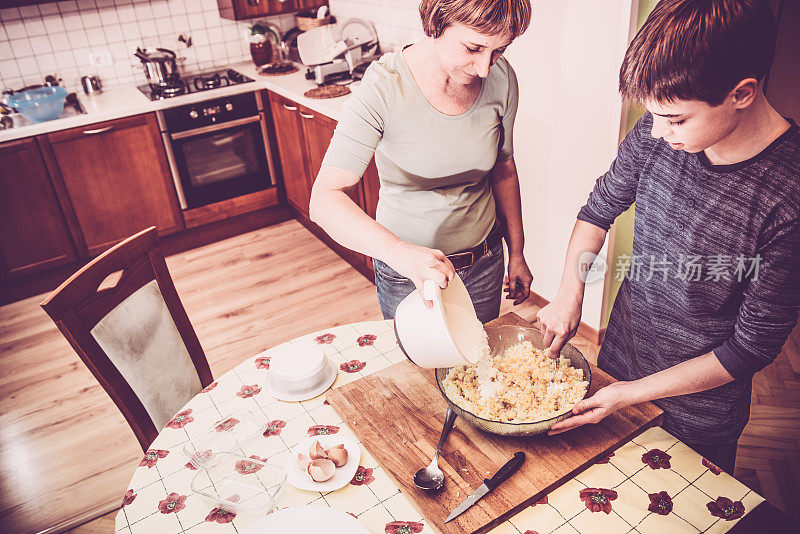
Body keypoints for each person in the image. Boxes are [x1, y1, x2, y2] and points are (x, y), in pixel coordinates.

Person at [538, 0, 799, 474]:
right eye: (652, 115)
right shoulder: (660, 129)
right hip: (618, 363)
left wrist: (631, 395)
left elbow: (749, 349)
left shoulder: (789, 198)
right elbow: (599, 210)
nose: (657, 133)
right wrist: (567, 293)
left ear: (742, 93)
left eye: (676, 120)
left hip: (699, 416)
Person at [309, 0, 534, 323]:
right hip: (408, 272)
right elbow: (324, 200)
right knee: (418, 372)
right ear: (438, 22)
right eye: (473, 48)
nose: (485, 68)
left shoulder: (502, 79)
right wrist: (398, 253)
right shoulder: (384, 86)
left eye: (499, 51)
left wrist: (517, 253)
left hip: (485, 262)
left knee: (477, 368)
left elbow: (504, 171)